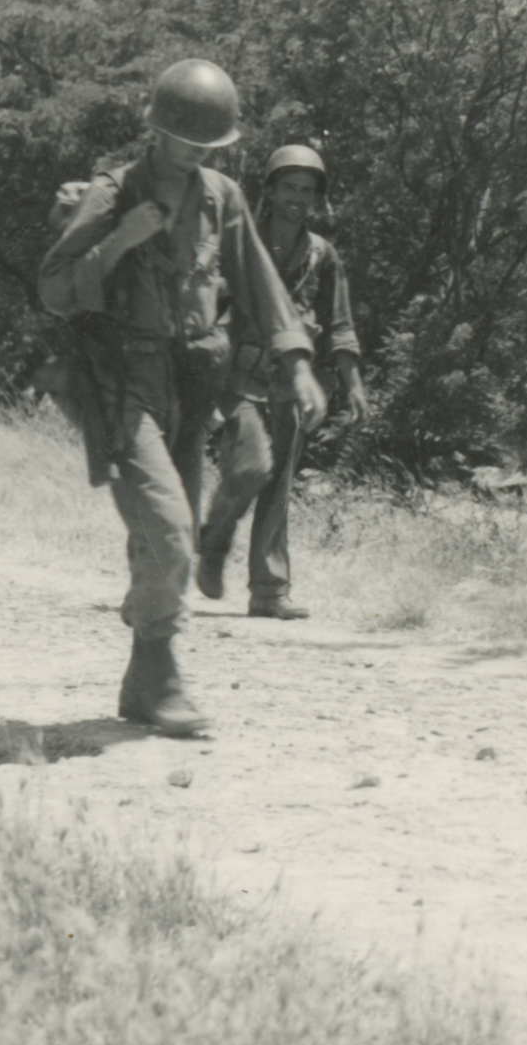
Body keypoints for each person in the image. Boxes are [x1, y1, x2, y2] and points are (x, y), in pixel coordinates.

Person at [36, 61, 321, 740]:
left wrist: (299, 362)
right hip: (124, 385)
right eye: (184, 140)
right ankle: (159, 661)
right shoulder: (114, 192)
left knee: (167, 539)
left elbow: (259, 285)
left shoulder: (223, 196)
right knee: (169, 534)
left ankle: (148, 681)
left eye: (209, 145)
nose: (195, 153)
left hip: (195, 386)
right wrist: (120, 241)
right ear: (155, 131)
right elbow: (55, 289)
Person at [194, 141, 362, 620]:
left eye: (307, 190)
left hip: (290, 384)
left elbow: (340, 324)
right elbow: (205, 303)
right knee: (249, 468)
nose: (297, 197)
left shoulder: (322, 255)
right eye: (288, 186)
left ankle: (269, 592)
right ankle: (210, 542)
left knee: (278, 488)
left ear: (317, 198)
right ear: (268, 189)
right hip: (238, 380)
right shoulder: (240, 243)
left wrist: (353, 383)